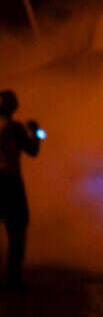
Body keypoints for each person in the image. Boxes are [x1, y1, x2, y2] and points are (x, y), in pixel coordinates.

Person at [0, 90, 40, 291]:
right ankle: (12, 279)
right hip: (10, 183)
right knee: (17, 231)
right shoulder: (16, 128)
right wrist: (36, 132)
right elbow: (33, 150)